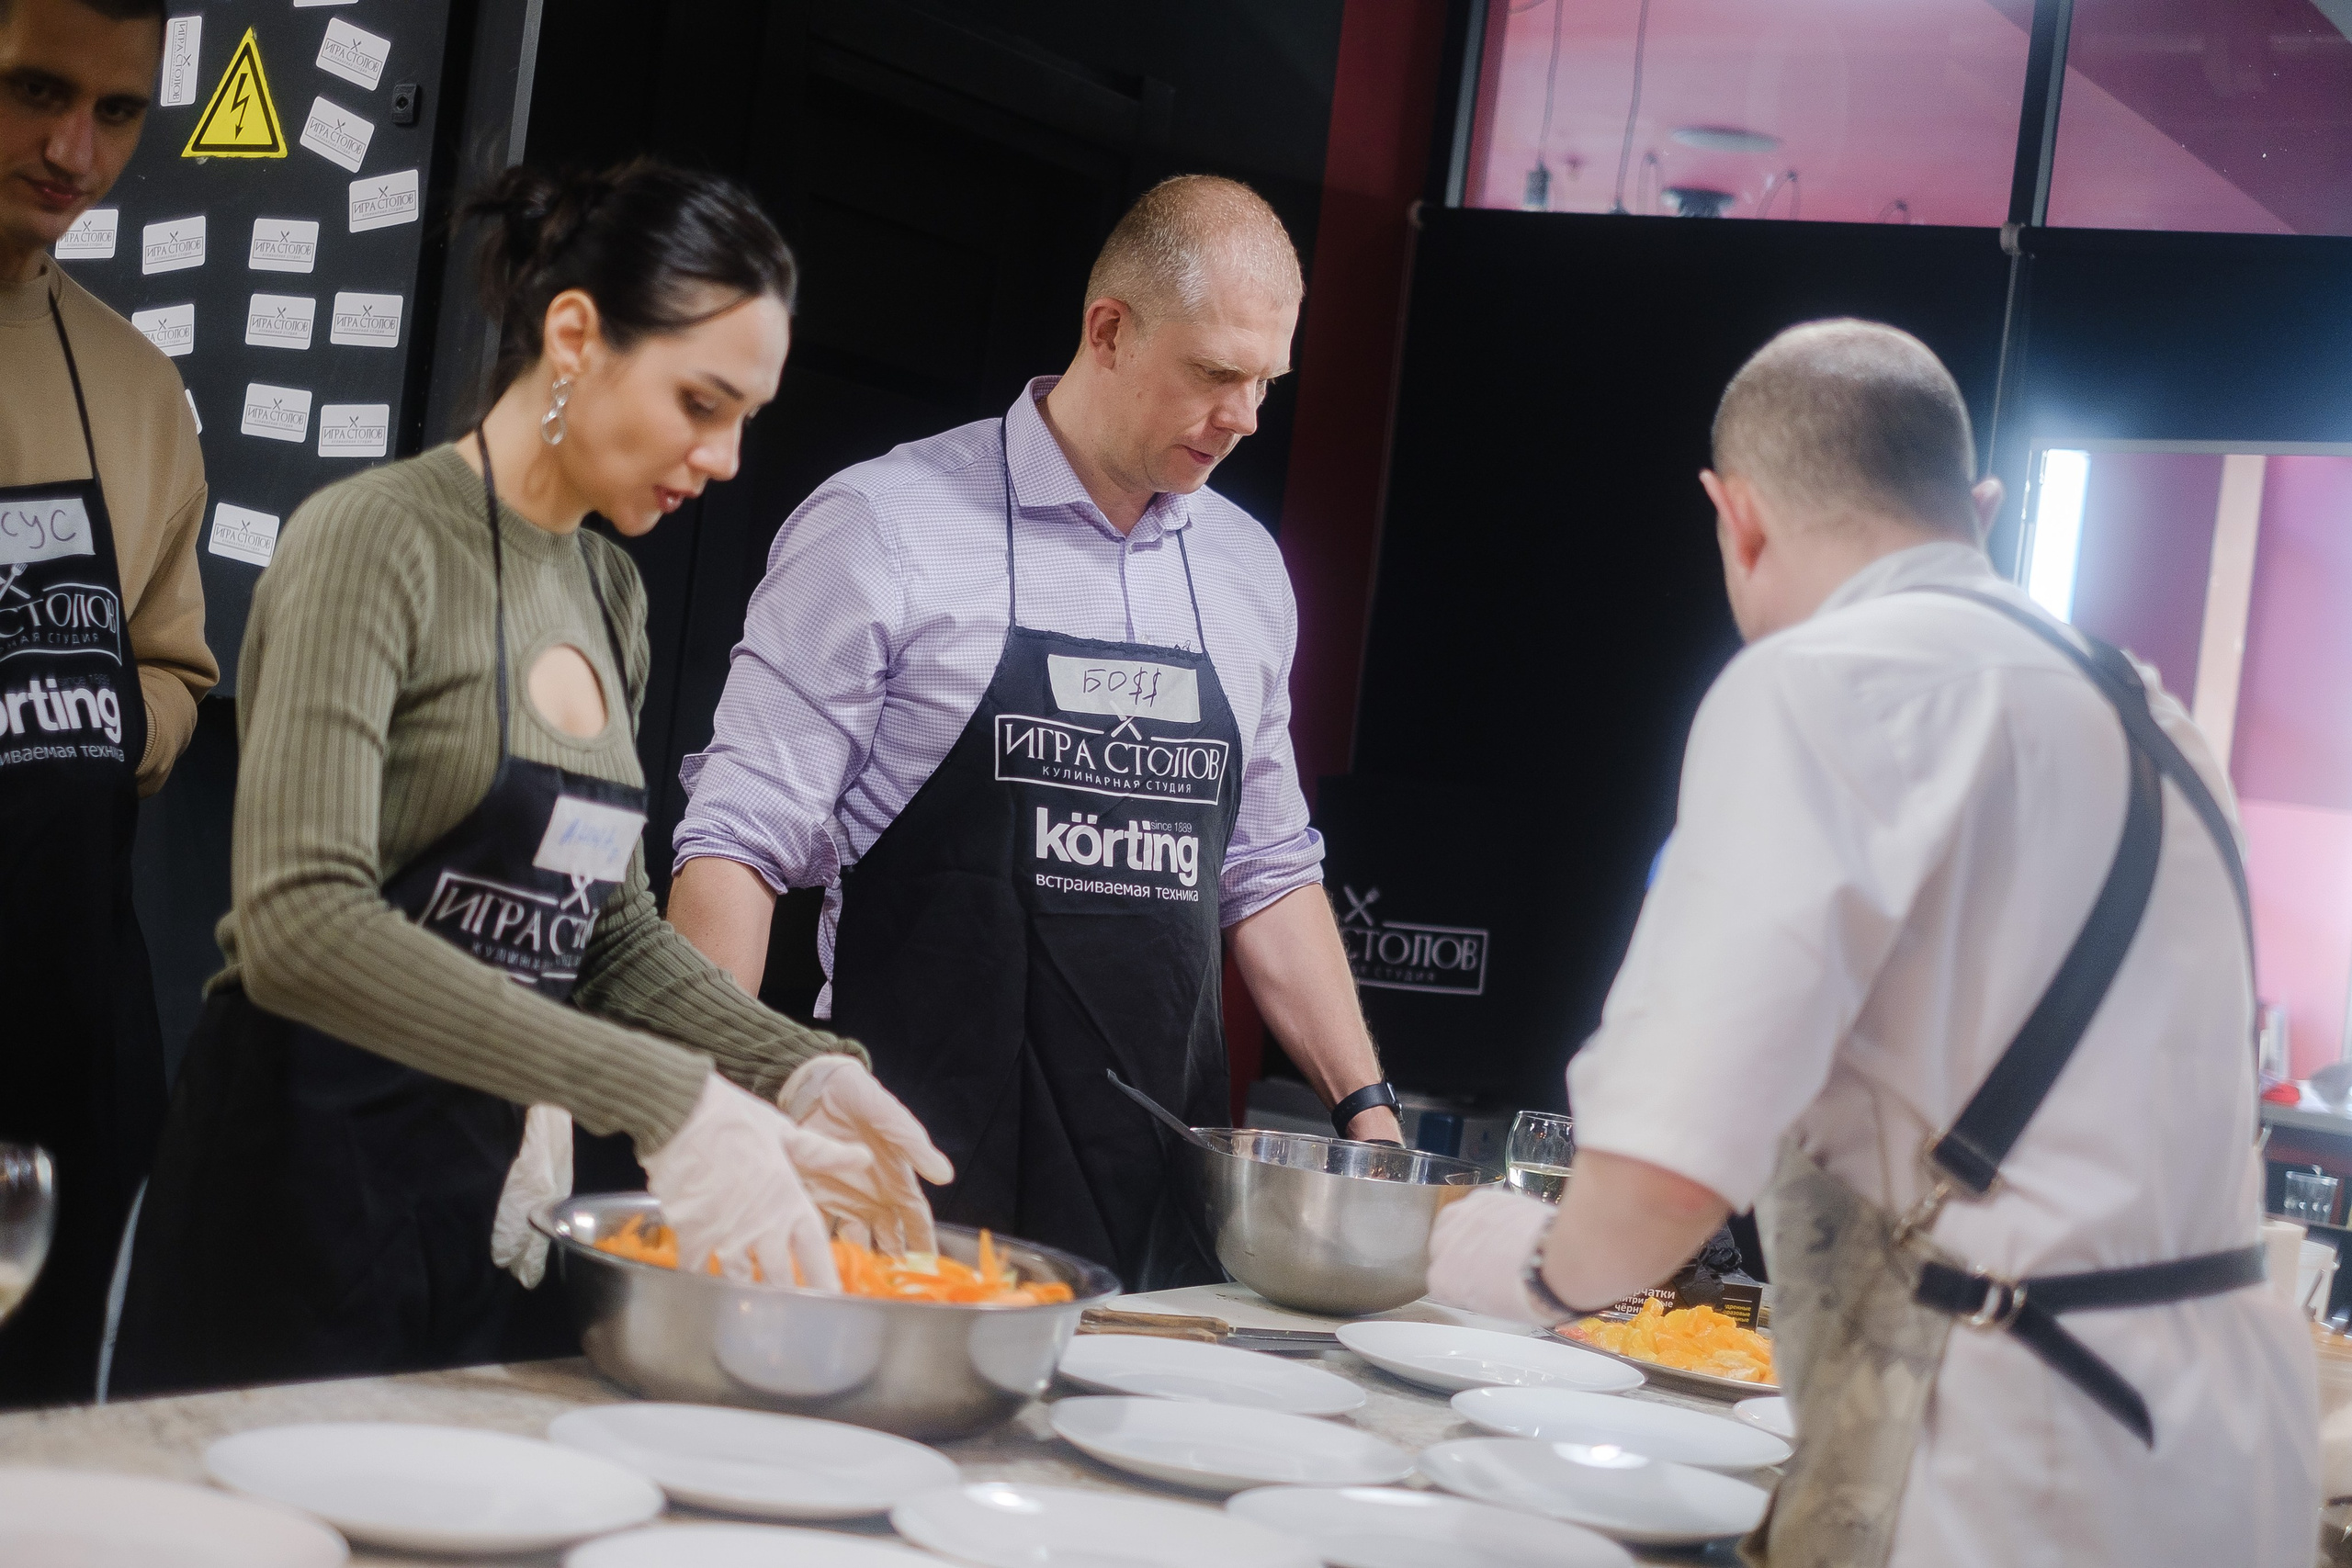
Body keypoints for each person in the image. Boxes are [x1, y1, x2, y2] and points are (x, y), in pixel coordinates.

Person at [1425, 321, 2318, 1566]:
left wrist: (1518, 1261)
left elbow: (1664, 1178)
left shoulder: (1817, 684)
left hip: (2021, 1456)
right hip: (2230, 1449)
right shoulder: (2151, 712)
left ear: (1735, 515)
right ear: (1983, 507)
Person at [108, 159, 948, 1398]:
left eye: (746, 418)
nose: (722, 457)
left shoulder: (611, 594)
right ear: (573, 336)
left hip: (482, 1191)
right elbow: (299, 925)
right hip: (295, 1181)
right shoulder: (372, 537)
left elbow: (602, 933)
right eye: (699, 401)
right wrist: (668, 1097)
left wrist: (797, 1065)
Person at [665, 175, 1401, 1292]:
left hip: (1165, 1218)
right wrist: (705, 1119)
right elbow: (736, 842)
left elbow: (1265, 867)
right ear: (1107, 331)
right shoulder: (884, 526)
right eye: (1213, 374)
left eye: (1264, 382)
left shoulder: (1246, 569)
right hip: (907, 1187)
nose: (1246, 416)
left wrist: (1366, 1108)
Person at [0, 0, 215, 1406]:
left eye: (121, 110)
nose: (77, 147)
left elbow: (176, 666)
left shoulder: (137, 387)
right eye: (33, 89)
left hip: (63, 1005)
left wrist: (106, 721)